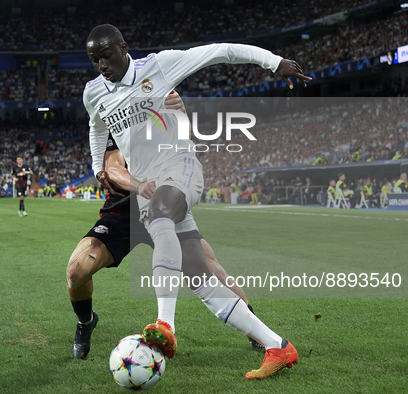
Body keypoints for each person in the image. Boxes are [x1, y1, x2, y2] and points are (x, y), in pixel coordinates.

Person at [84, 24, 306, 378]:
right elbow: (97, 126)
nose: (101, 65)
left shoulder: (158, 66)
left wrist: (273, 61)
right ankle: (278, 346)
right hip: (148, 184)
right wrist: (98, 165)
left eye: (106, 56)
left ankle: (164, 325)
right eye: (94, 59)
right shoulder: (94, 92)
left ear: (123, 48)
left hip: (180, 167)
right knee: (201, 279)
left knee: (160, 210)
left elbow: (221, 50)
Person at [68, 131, 265, 363]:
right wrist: (139, 184)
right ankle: (86, 321)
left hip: (162, 206)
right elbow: (113, 168)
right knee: (76, 271)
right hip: (122, 212)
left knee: (209, 268)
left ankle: (257, 331)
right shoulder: (117, 121)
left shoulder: (160, 121)